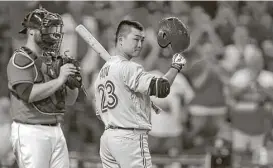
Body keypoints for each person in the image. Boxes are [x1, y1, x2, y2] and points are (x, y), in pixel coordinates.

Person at [94, 20, 186, 168]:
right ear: (121, 41)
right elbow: (161, 88)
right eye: (135, 40)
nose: (139, 45)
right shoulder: (129, 69)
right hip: (129, 137)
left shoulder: (103, 73)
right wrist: (175, 67)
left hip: (109, 137)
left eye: (140, 41)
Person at [7, 8, 79, 168]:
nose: (52, 34)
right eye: (46, 29)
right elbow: (28, 94)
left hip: (56, 129)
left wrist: (72, 83)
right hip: (30, 131)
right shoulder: (20, 59)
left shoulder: (53, 61)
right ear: (31, 31)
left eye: (53, 30)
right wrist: (60, 79)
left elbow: (69, 101)